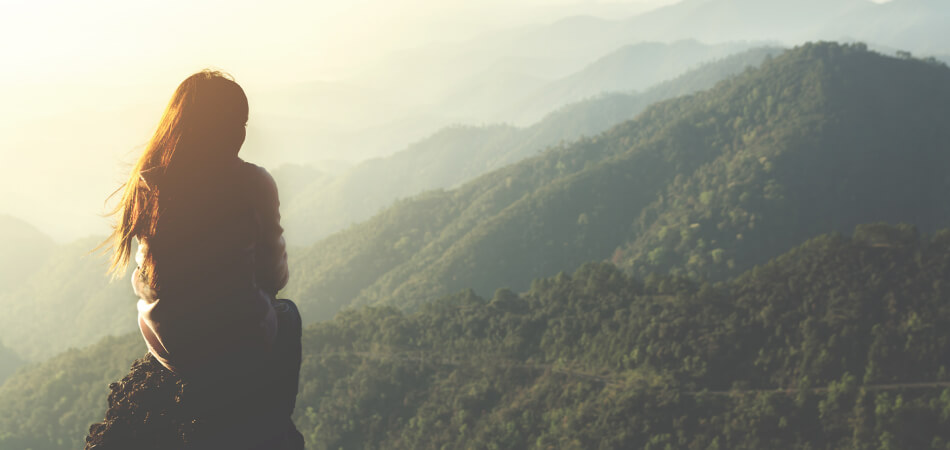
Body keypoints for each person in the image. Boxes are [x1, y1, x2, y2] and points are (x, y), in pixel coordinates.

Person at [103, 70, 303, 448]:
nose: (243, 132)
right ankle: (272, 420)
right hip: (238, 347)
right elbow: (275, 275)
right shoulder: (253, 183)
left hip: (171, 347)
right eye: (237, 122)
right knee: (288, 314)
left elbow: (146, 279)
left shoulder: (149, 185)